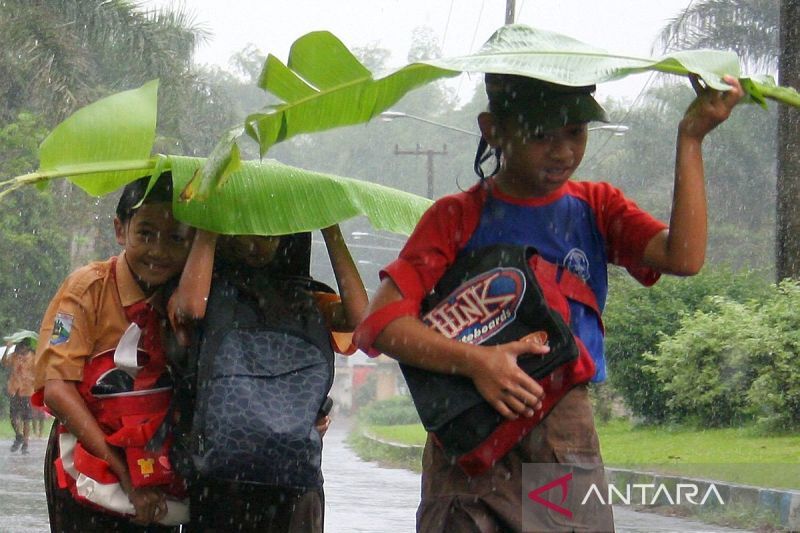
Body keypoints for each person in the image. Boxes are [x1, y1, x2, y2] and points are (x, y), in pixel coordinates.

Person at [354, 72, 744, 531]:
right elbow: (381, 321)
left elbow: (685, 256)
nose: (563, 152)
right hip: (469, 430)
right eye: (541, 136)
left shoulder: (596, 208)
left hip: (561, 428)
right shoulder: (455, 217)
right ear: (493, 130)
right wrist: (477, 362)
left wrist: (692, 136)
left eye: (575, 133)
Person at [167, 225, 368, 533]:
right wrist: (209, 226)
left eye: (269, 234)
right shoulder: (204, 293)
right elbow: (192, 309)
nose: (254, 244)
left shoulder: (310, 300)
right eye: (241, 232)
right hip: (225, 479)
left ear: (287, 238)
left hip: (287, 479)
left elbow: (360, 321)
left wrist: (331, 232)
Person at [33, 172, 194, 532]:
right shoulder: (87, 288)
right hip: (89, 454)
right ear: (120, 230)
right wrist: (122, 470)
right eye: (146, 234)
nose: (159, 251)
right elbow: (57, 388)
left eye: (176, 239)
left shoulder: (189, 300)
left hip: (157, 463)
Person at [3, 338, 36, 454]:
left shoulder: (33, 357)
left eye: (23, 346)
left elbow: (39, 371)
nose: (20, 348)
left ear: (27, 347)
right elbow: (4, 363)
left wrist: (33, 380)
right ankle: (19, 435)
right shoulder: (14, 356)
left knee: (27, 419)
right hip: (14, 390)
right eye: (19, 346)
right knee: (13, 416)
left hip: (27, 391)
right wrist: (7, 349)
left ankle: (25, 444)